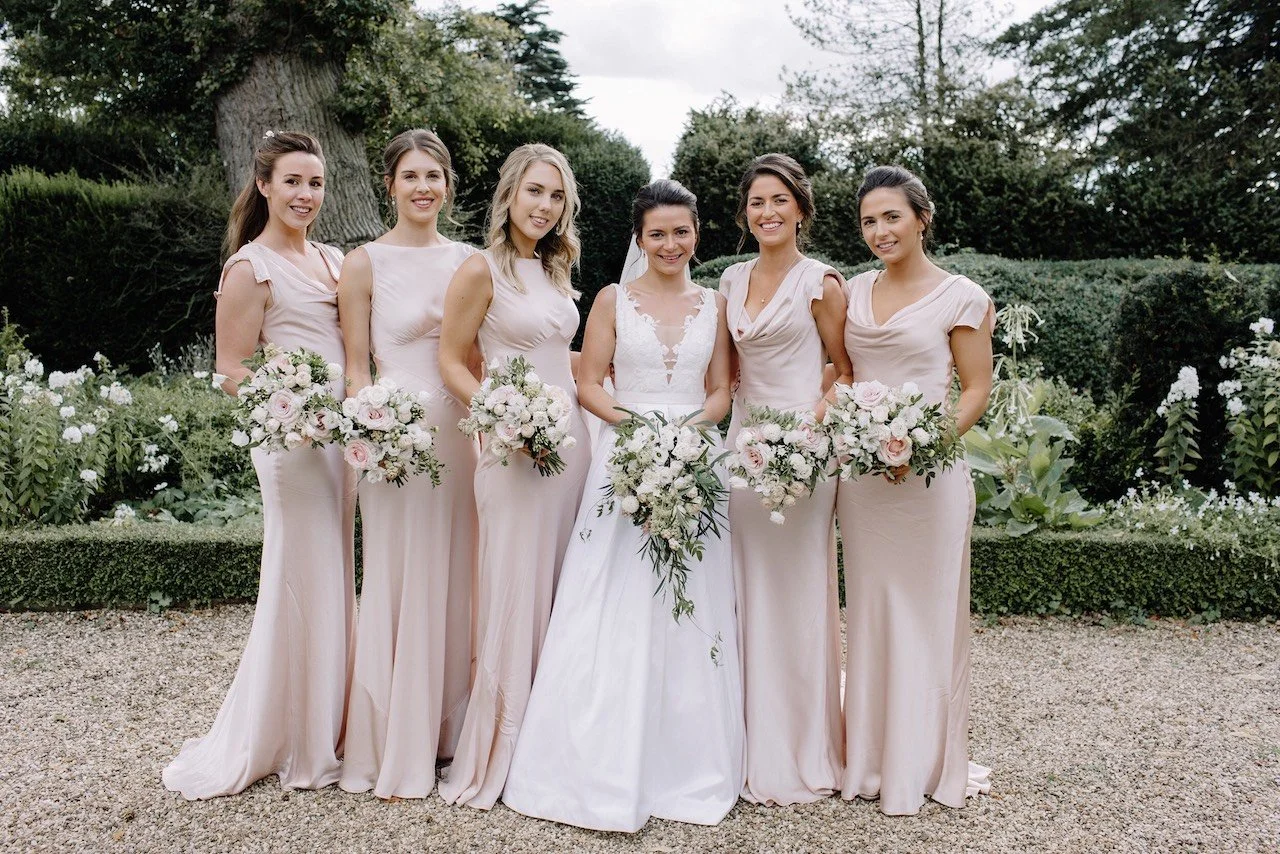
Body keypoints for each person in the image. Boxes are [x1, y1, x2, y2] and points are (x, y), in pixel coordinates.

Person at [503, 180, 743, 832]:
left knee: (688, 600)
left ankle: (687, 760)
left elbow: (722, 389)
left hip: (691, 454)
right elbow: (588, 382)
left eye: (681, 231)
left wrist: (690, 429)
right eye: (658, 233)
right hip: (627, 457)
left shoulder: (715, 304)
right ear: (639, 239)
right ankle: (595, 760)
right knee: (613, 600)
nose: (671, 244)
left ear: (697, 233)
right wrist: (640, 429)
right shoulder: (613, 299)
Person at [163, 131, 356, 799]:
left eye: (316, 184)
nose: (306, 195)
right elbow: (229, 369)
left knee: (335, 569)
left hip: (340, 437)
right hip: (291, 441)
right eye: (294, 182)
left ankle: (331, 720)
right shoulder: (249, 267)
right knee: (300, 573)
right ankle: (289, 732)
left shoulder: (334, 261)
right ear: (265, 186)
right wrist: (291, 404)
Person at [436, 144, 591, 809]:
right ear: (509, 195)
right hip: (513, 448)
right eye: (534, 192)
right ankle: (502, 742)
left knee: (562, 589)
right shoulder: (481, 271)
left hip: (570, 448)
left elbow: (564, 355)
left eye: (556, 196)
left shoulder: (555, 269)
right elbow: (451, 360)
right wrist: (500, 416)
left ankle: (554, 741)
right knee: (512, 588)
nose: (544, 206)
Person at [838, 164, 994, 815]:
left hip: (928, 482)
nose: (880, 230)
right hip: (865, 485)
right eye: (870, 220)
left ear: (922, 218)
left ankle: (923, 762)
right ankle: (870, 757)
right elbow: (838, 376)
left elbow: (977, 389)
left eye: (892, 216)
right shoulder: (847, 293)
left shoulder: (962, 297)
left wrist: (924, 444)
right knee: (870, 613)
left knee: (928, 618)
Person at [336, 129, 477, 799]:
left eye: (435, 176)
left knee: (456, 575)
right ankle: (393, 734)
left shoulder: (472, 261)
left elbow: (483, 357)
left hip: (459, 439)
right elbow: (357, 363)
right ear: (390, 184)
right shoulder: (363, 263)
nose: (424, 187)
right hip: (392, 445)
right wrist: (371, 427)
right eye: (411, 175)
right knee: (398, 575)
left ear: (448, 186)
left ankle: (450, 730)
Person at [719, 153, 852, 805]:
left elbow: (847, 370)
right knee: (744, 591)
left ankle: (803, 742)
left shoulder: (821, 282)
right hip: (744, 455)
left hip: (802, 452)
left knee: (798, 590)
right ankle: (742, 742)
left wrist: (807, 426)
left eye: (778, 201)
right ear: (746, 214)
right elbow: (722, 372)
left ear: (800, 207)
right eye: (756, 203)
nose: (766, 212)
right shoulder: (731, 280)